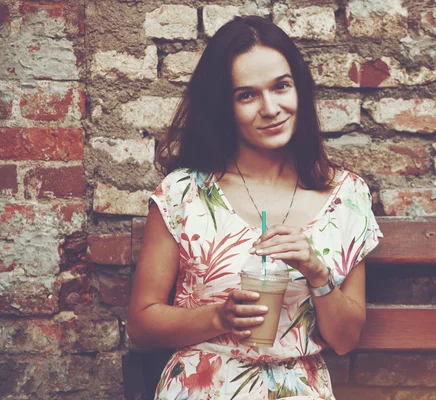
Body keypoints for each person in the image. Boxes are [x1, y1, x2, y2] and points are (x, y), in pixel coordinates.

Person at [127, 16, 383, 400]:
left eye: (281, 86)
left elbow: (345, 340)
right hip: (203, 387)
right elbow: (142, 326)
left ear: (299, 89)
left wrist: (317, 273)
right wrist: (218, 317)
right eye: (246, 95)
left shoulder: (347, 196)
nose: (270, 108)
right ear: (224, 107)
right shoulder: (184, 193)